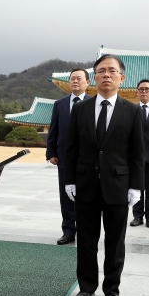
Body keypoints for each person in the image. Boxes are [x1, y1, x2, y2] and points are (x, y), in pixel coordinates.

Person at [64, 54, 144, 296]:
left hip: (118, 187)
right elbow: (71, 148)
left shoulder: (131, 110)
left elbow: (137, 152)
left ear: (122, 77)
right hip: (86, 184)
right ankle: (86, 287)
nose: (106, 75)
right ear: (94, 78)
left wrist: (136, 186)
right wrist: (69, 181)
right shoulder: (81, 109)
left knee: (115, 241)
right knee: (86, 240)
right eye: (101, 71)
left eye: (111, 71)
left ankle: (112, 289)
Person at [46, 68, 92, 245]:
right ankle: (68, 231)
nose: (75, 81)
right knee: (66, 197)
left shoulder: (94, 103)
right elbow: (54, 130)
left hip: (88, 160)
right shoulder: (60, 104)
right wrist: (51, 153)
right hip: (65, 158)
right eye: (72, 79)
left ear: (87, 82)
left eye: (79, 79)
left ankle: (86, 231)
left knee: (86, 197)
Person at [130, 79, 149, 229]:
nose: (144, 91)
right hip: (135, 156)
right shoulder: (131, 110)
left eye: (147, 89)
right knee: (137, 187)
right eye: (141, 89)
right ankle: (137, 216)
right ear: (137, 92)